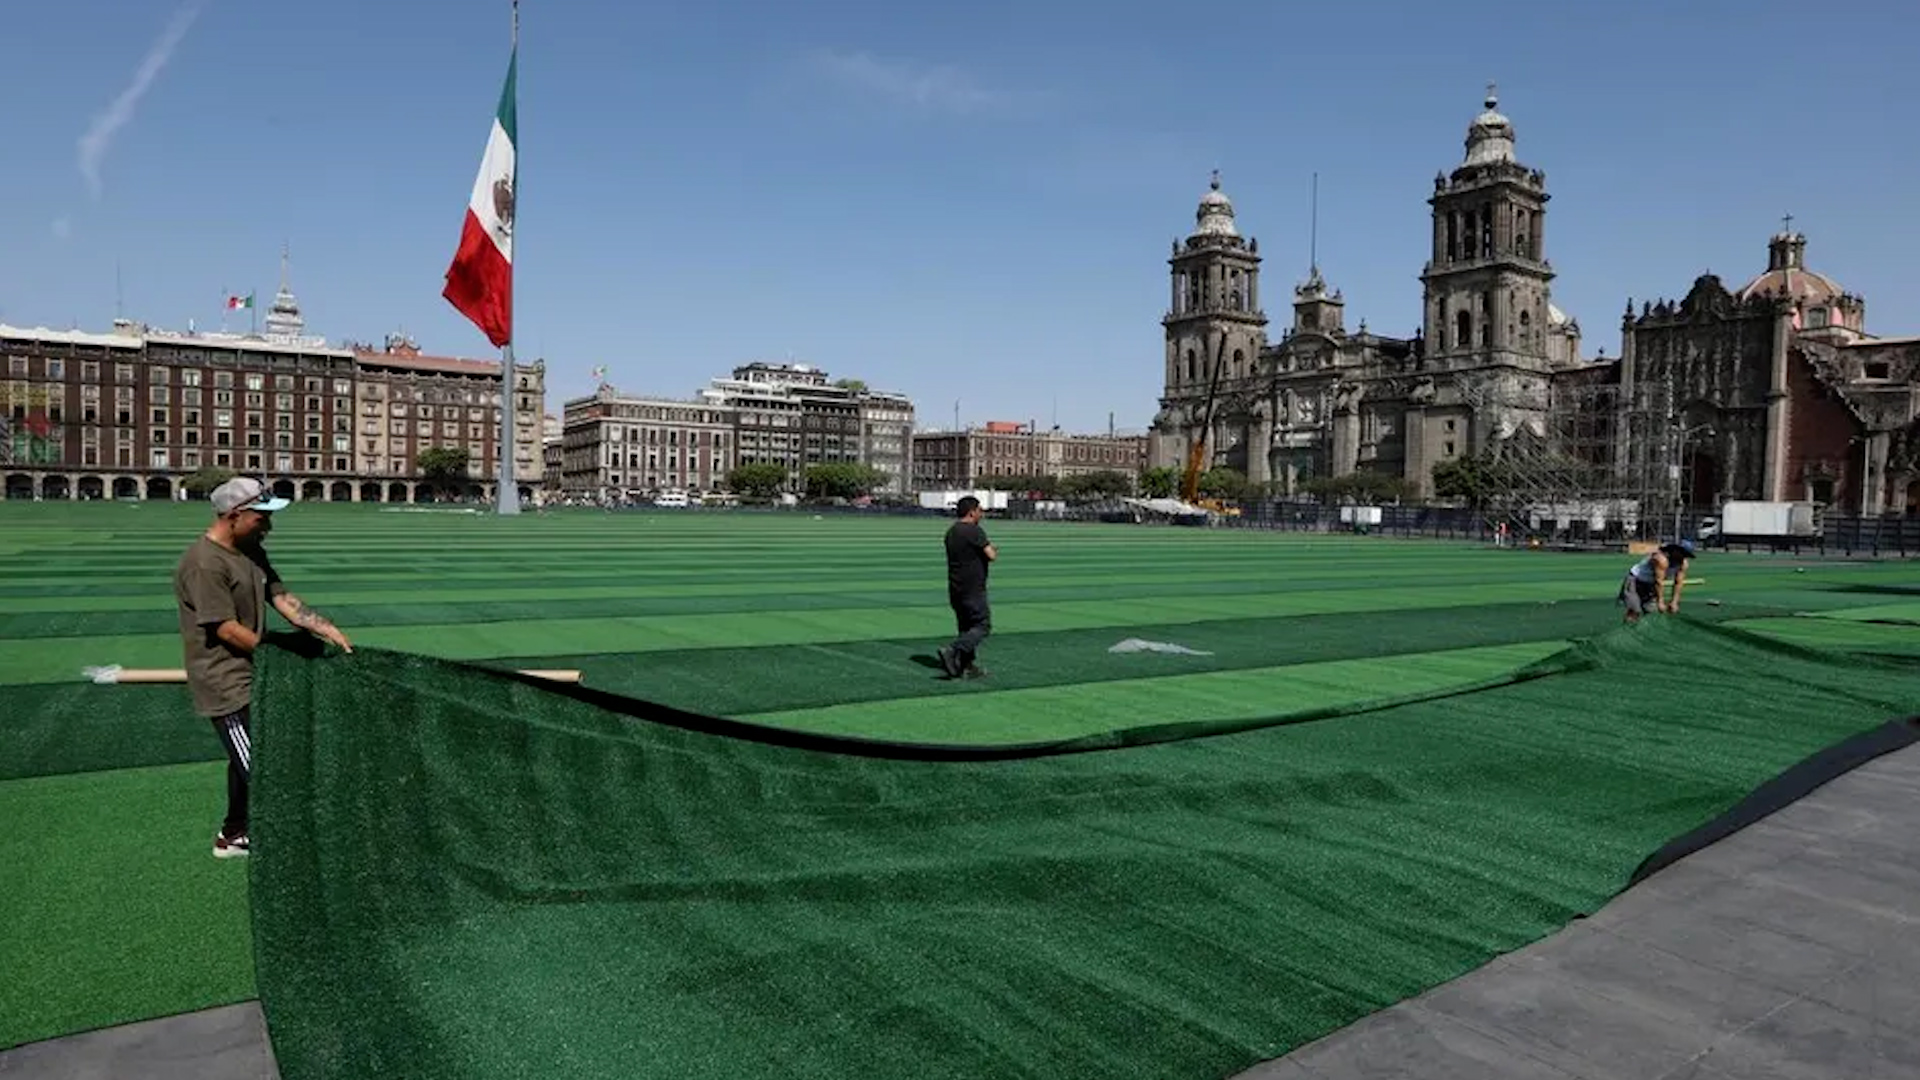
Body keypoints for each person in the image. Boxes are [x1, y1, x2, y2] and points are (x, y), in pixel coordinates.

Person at [174, 477, 354, 858]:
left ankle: (234, 834)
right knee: (265, 769)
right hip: (225, 680)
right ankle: (295, 848)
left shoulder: (250, 550)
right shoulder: (204, 564)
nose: (268, 527)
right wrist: (280, 652)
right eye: (261, 518)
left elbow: (283, 598)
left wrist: (326, 628)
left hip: (254, 671)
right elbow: (226, 629)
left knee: (251, 757)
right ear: (234, 516)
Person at [936, 496, 997, 679]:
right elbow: (991, 555)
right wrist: (992, 549)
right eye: (980, 510)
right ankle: (952, 650)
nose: (982, 513)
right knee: (982, 625)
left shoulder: (951, 531)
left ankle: (966, 666)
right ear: (972, 512)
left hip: (956, 587)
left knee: (965, 628)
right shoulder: (974, 531)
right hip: (973, 587)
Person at [1619, 539, 1696, 623]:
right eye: (1682, 553)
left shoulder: (1683, 564)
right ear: (1675, 550)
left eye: (1686, 555)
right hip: (1635, 580)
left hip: (1650, 585)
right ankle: (1629, 629)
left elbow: (1678, 582)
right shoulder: (1661, 559)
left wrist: (1674, 602)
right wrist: (1660, 601)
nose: (1682, 557)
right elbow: (1659, 582)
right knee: (1634, 610)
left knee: (1652, 612)